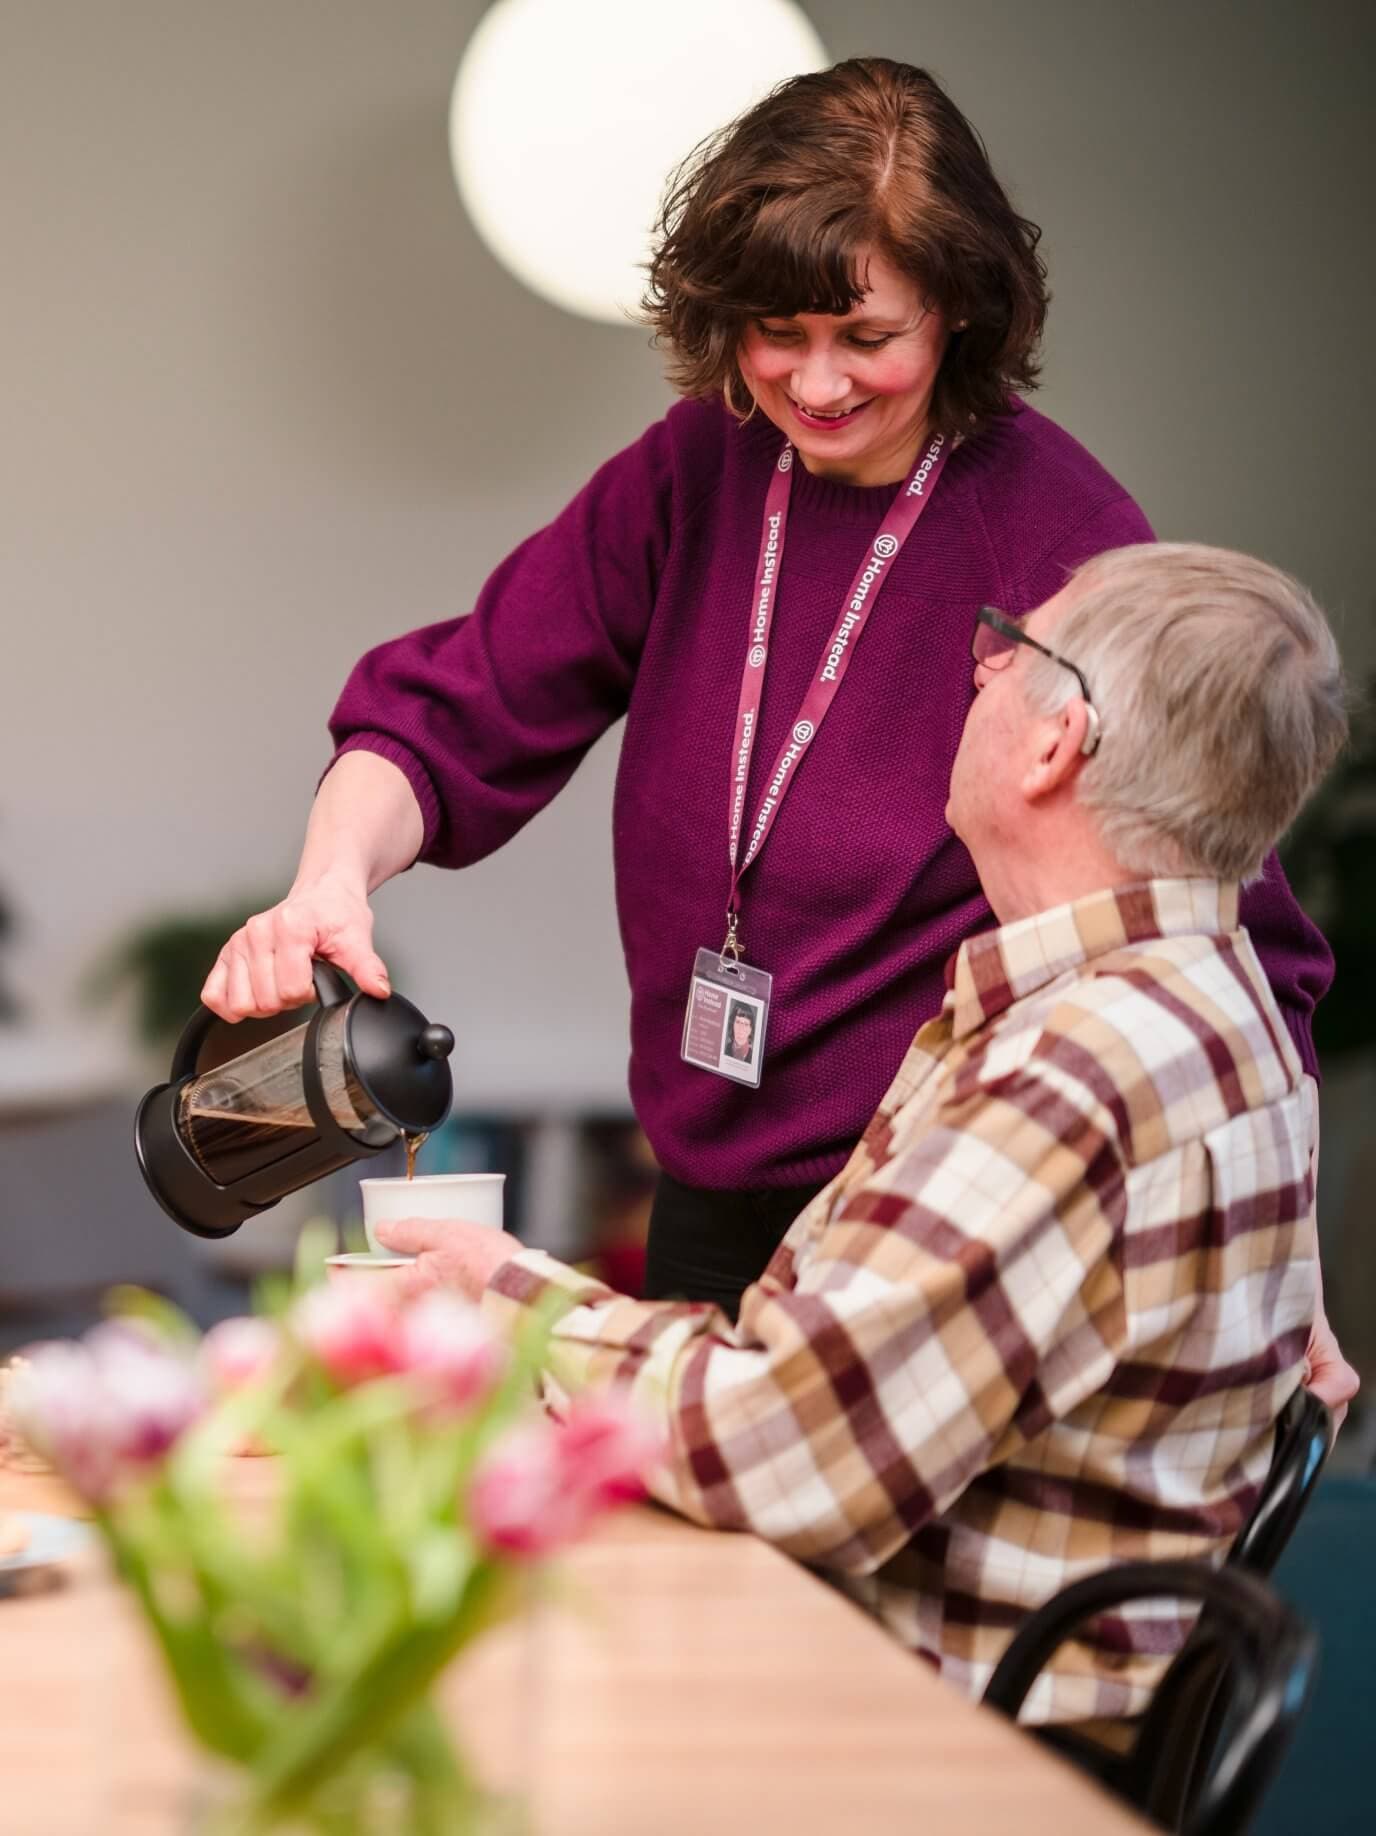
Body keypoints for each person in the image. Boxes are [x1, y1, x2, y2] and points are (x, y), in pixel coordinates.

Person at [201, 58, 1334, 1326]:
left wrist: (1281, 1285)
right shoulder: (704, 466)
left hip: (930, 1218)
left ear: (956, 311)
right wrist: (328, 883)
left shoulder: (1056, 540)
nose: (815, 384)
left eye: (867, 337)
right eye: (776, 333)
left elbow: (1237, 935)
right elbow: (452, 707)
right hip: (698, 1186)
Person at [374, 541, 1353, 1723]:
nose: (978, 671)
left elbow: (783, 1451)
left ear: (1055, 743)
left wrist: (508, 1300)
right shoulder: (1218, 996)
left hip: (917, 1739)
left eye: (1010, 650)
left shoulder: (1078, 1067)